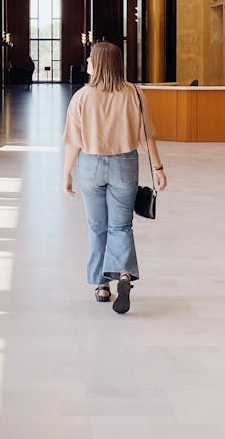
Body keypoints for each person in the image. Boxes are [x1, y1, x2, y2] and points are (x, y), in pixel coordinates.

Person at [62, 41, 167, 314]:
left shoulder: (82, 97)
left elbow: (73, 142)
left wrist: (66, 174)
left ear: (98, 64)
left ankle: (101, 286)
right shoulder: (134, 93)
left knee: (98, 227)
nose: (86, 63)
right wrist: (158, 168)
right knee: (121, 227)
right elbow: (147, 136)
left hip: (90, 166)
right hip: (124, 165)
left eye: (90, 59)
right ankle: (123, 274)